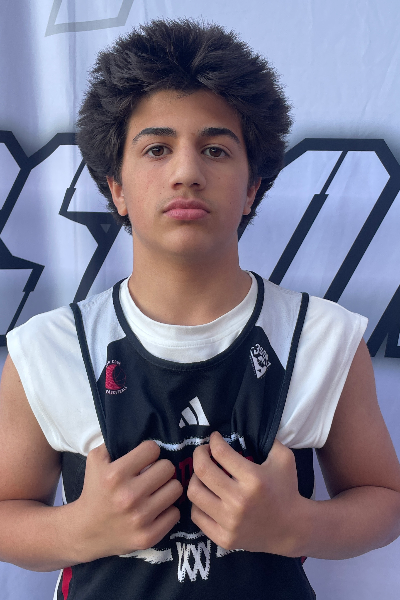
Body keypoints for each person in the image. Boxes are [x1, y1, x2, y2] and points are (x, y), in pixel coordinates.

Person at [1, 19, 400, 600]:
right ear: (116, 187)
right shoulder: (49, 348)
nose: (187, 173)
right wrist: (78, 529)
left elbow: (385, 501)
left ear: (252, 188)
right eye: (157, 149)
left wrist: (298, 524)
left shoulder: (323, 338)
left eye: (215, 149)